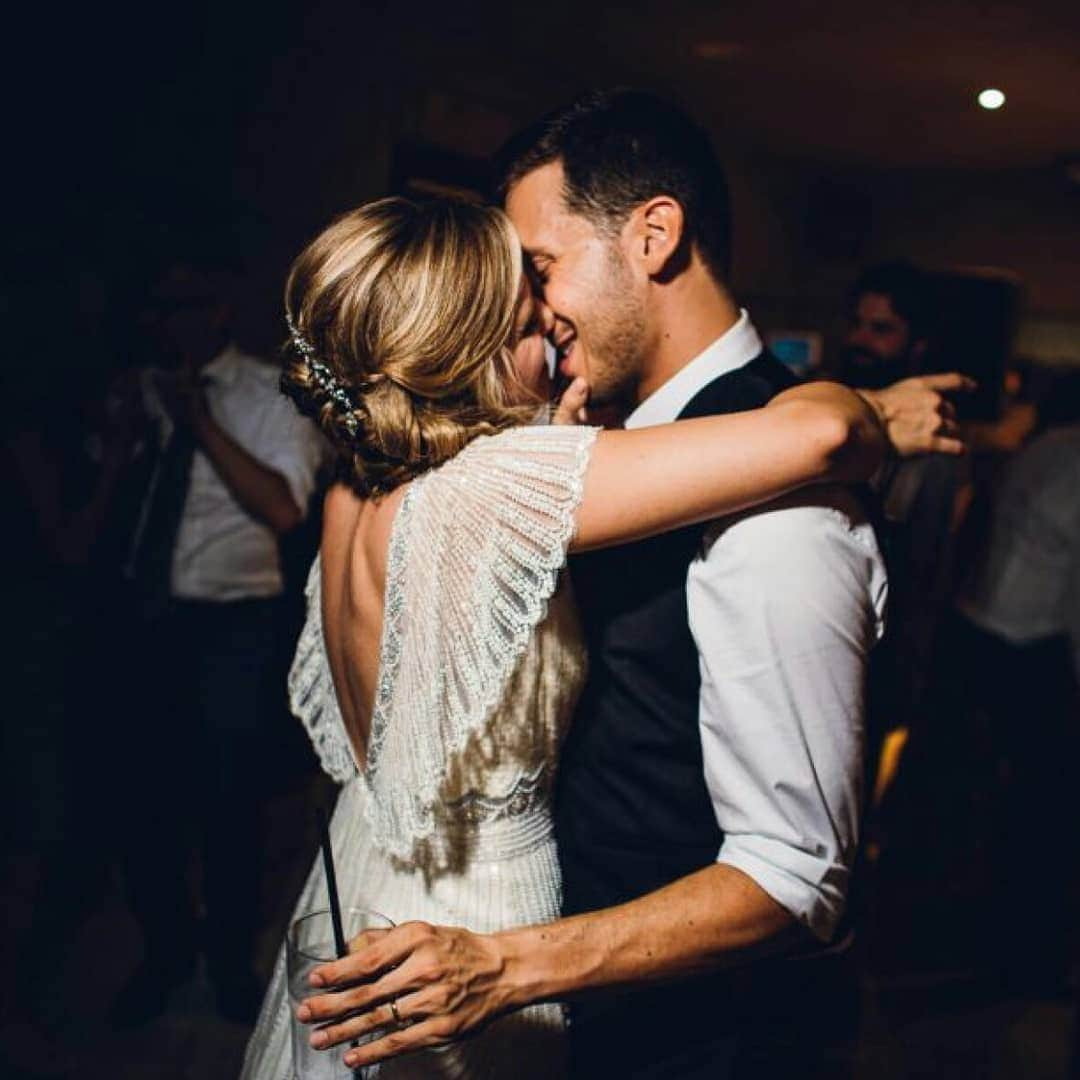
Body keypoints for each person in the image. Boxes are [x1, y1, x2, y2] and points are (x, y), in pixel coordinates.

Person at [257, 96, 965, 1080]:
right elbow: (823, 433)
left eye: (540, 269)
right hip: (480, 956)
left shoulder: (367, 476)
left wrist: (512, 965)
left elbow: (798, 875)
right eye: (520, 292)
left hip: (601, 995)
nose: (540, 314)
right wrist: (872, 407)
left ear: (654, 235)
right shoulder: (525, 476)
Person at [111, 261, 326, 1026]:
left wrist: (198, 422)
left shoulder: (275, 395)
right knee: (141, 800)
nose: (169, 322)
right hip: (144, 620)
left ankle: (230, 961)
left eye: (184, 304)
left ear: (221, 309)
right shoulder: (140, 391)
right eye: (158, 308)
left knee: (228, 806)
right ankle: (165, 950)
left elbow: (283, 510)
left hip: (233, 628)